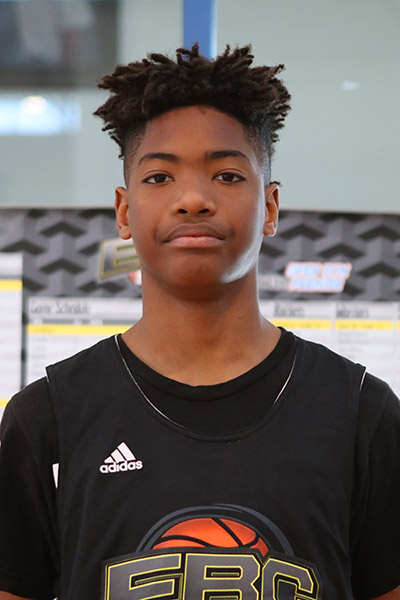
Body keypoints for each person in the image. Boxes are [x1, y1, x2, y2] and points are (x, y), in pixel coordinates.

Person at [0, 44, 399, 600]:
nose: (192, 199)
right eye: (160, 177)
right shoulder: (47, 420)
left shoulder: (362, 413)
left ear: (270, 207)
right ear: (123, 211)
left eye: (228, 175)